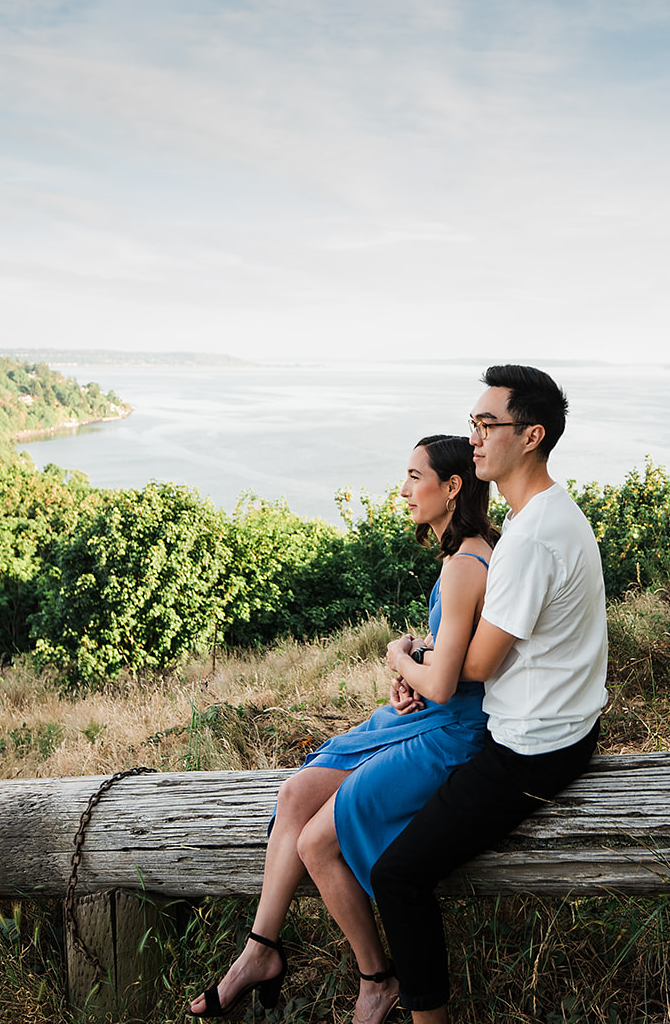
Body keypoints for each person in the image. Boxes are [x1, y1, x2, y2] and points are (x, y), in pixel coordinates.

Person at [187, 435, 499, 1023]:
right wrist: (417, 652)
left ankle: (376, 979)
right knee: (296, 793)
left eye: (414, 477)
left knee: (316, 839)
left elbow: (449, 680)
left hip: (451, 732)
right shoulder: (468, 554)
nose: (403, 490)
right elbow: (458, 652)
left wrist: (397, 657)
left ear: (452, 487)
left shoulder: (464, 564)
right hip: (433, 711)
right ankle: (260, 950)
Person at [375, 364, 608, 1022]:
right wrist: (428, 653)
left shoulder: (529, 539)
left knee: (399, 875)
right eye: (473, 424)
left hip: (533, 750)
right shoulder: (549, 514)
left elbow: (472, 668)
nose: (474, 437)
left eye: (487, 425)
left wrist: (400, 654)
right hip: (562, 726)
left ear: (530, 435)